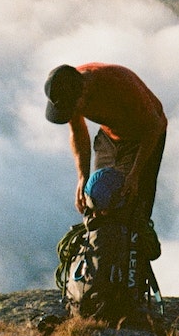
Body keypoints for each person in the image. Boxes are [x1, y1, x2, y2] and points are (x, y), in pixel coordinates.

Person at [43, 63, 167, 225]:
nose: (71, 113)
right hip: (111, 134)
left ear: (83, 93)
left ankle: (134, 242)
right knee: (97, 196)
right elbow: (78, 132)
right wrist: (83, 177)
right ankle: (100, 244)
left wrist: (135, 174)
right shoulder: (68, 91)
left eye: (72, 108)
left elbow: (153, 127)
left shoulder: (120, 84)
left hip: (144, 135)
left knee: (130, 200)